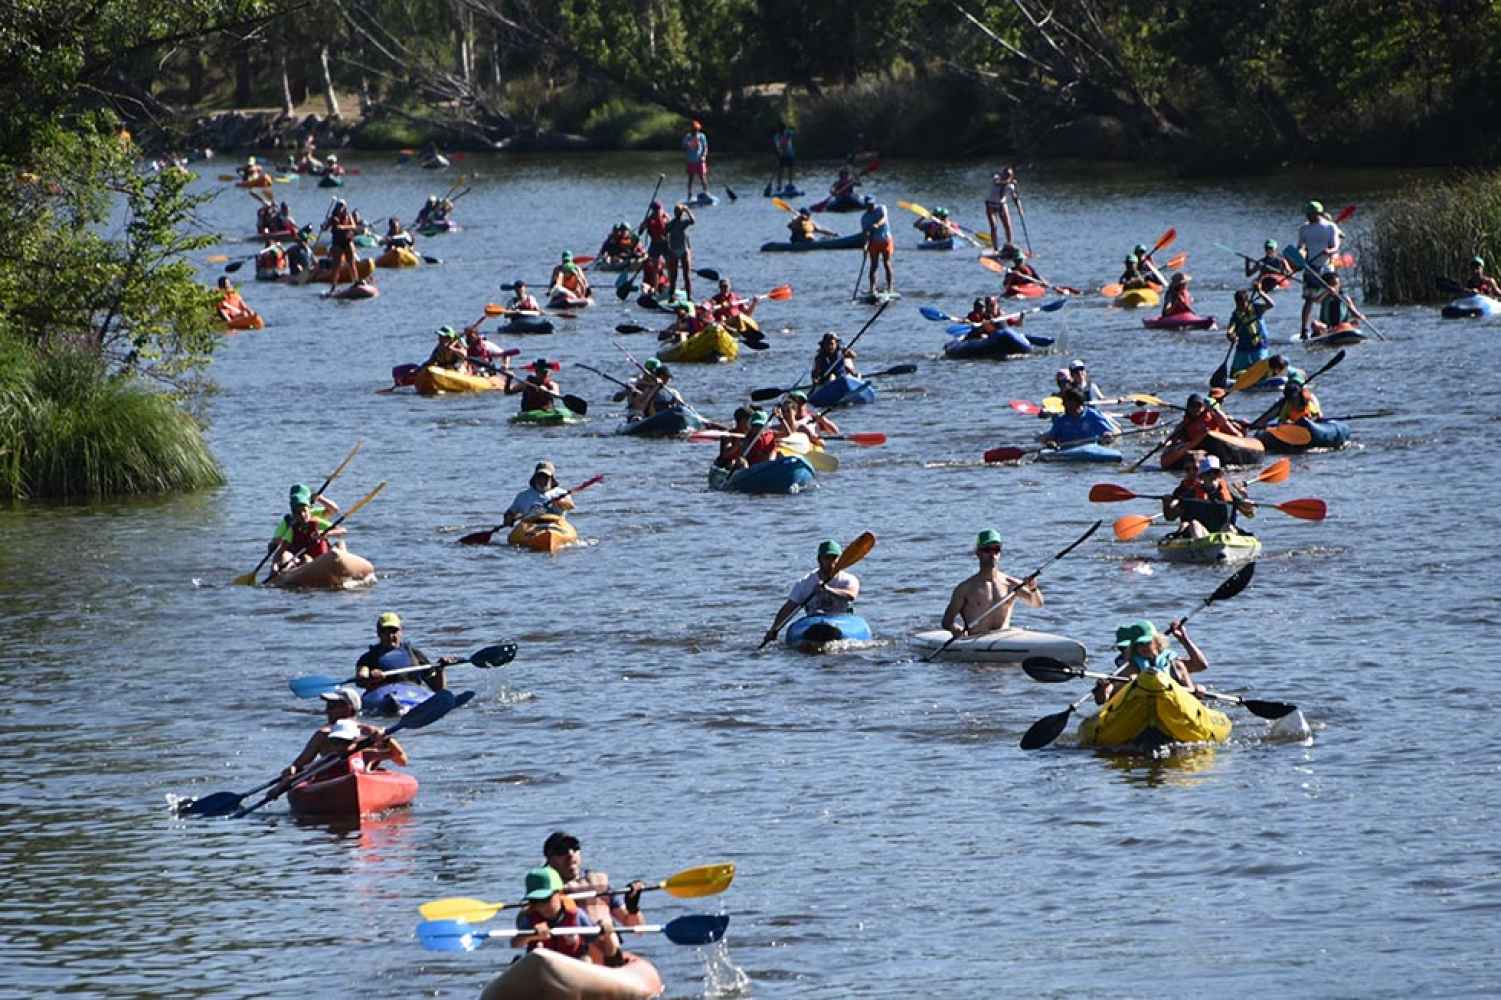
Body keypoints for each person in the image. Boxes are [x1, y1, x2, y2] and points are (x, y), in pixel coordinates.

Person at [279, 687, 407, 785]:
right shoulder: (323, 734)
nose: (327, 710)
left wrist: (387, 739)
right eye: (328, 706)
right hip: (331, 780)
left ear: (349, 708)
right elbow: (300, 764)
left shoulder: (372, 733)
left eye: (333, 706)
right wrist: (291, 771)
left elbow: (402, 761)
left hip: (365, 778)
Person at [513, 866, 627, 967]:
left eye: (545, 899)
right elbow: (515, 943)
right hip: (543, 965)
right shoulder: (528, 917)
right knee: (532, 955)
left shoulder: (577, 914)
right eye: (535, 901)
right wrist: (531, 936)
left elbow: (601, 946)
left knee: (586, 960)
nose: (541, 906)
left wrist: (606, 935)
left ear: (559, 893)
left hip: (572, 964)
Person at [939, 529, 1044, 637]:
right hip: (976, 641)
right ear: (978, 553)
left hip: (1003, 637)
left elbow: (1037, 604)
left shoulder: (1011, 584)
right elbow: (947, 621)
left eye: (996, 549)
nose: (992, 554)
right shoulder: (965, 588)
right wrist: (956, 629)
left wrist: (1033, 589)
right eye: (987, 550)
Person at [542, 830, 648, 931]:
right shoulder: (543, 888)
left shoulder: (597, 882)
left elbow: (635, 927)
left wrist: (632, 907)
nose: (570, 854)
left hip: (608, 944)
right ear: (550, 859)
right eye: (562, 850)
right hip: (570, 946)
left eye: (575, 848)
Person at [762, 539, 860, 645]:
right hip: (814, 621)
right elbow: (789, 607)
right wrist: (773, 629)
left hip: (841, 619)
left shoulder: (849, 579)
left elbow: (851, 595)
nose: (831, 562)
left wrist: (827, 590)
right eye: (827, 558)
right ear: (819, 560)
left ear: (840, 560)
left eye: (834, 558)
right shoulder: (805, 583)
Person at [1094, 619, 1209, 703]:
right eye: (1139, 644)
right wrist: (1104, 689)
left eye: (1146, 642)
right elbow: (1104, 697)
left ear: (1157, 641)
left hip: (1173, 706)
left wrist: (1196, 691)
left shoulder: (1175, 665)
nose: (1142, 647)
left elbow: (1201, 666)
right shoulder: (1131, 668)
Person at [353, 611, 457, 695]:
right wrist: (371, 678)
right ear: (379, 633)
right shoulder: (369, 657)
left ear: (400, 632)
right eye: (386, 632)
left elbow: (438, 689)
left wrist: (440, 669)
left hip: (413, 694)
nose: (390, 636)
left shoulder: (415, 654)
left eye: (394, 631)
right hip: (383, 696)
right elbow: (361, 678)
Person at [1162, 455, 1254, 539]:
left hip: (1224, 534)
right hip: (1202, 534)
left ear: (1220, 475)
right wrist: (1168, 503)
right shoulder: (1191, 494)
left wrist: (1246, 499)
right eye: (1208, 473)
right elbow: (1170, 516)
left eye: (1216, 472)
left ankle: (1224, 550)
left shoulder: (1230, 491)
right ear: (1202, 476)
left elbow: (1250, 515)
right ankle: (1201, 550)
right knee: (1194, 525)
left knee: (1229, 527)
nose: (1212, 476)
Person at [268, 483, 345, 573]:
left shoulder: (315, 519)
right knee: (301, 558)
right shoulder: (290, 524)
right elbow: (280, 545)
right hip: (301, 556)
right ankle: (288, 570)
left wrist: (325, 533)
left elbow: (337, 518)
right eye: (297, 512)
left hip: (320, 556)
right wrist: (274, 560)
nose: (302, 515)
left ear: (308, 508)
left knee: (340, 544)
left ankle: (343, 568)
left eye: (304, 511)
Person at [1296, 200, 1343, 337]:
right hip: (1311, 268)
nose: (1307, 217)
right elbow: (1300, 247)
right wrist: (1300, 255)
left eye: (1310, 214)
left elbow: (1335, 246)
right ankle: (1304, 330)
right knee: (1309, 300)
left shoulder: (1330, 227)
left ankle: (1332, 325)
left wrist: (1330, 251)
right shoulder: (1303, 229)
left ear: (1318, 214)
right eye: (1307, 214)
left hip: (1327, 267)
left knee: (1333, 295)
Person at [1167, 393, 1245, 455]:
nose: (1196, 409)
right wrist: (1167, 443)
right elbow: (1173, 438)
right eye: (1193, 406)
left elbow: (1224, 422)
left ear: (1203, 407)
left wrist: (1214, 409)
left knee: (1236, 434)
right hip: (1197, 446)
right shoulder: (1184, 423)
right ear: (1188, 408)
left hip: (1217, 442)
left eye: (1199, 406)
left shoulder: (1213, 416)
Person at [504, 460, 575, 526]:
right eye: (540, 476)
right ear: (535, 477)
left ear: (552, 478)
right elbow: (510, 513)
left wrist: (561, 502)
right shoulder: (523, 496)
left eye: (546, 477)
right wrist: (509, 518)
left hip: (556, 526)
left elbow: (571, 506)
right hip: (531, 528)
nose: (542, 480)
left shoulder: (561, 493)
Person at [1042, 388, 1120, 448]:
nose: (1063, 404)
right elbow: (1050, 439)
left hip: (1092, 448)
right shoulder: (1061, 420)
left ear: (1076, 402)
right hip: (1067, 450)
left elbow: (1110, 433)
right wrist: (1050, 442)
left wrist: (1108, 435)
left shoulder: (1093, 415)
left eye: (1066, 401)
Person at [322, 199, 360, 298]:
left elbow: (353, 226)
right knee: (336, 266)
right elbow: (325, 228)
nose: (341, 208)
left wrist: (343, 227)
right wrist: (324, 225)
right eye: (339, 206)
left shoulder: (348, 216)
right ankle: (333, 286)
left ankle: (355, 282)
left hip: (347, 241)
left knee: (352, 263)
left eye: (343, 206)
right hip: (337, 243)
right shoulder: (333, 218)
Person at [860, 195, 894, 295]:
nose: (871, 206)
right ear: (866, 205)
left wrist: (877, 224)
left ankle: (890, 287)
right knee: (873, 265)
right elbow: (865, 233)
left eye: (872, 204)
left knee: (886, 263)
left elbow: (884, 218)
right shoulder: (864, 218)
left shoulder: (881, 208)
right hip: (873, 242)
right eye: (869, 204)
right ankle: (872, 289)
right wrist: (865, 245)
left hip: (885, 240)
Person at [1306, 268, 1354, 337]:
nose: (1335, 287)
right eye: (1332, 284)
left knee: (1355, 322)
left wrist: (1359, 316)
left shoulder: (1345, 297)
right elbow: (1316, 301)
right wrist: (1327, 291)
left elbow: (1354, 312)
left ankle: (1341, 331)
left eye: (1336, 284)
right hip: (1327, 326)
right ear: (1327, 286)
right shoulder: (1324, 296)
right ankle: (1324, 332)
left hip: (1342, 325)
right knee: (1314, 324)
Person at [664, 204, 695, 297]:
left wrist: (686, 210)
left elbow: (693, 221)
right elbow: (693, 220)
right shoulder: (674, 223)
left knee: (684, 276)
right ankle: (672, 296)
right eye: (678, 212)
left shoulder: (679, 223)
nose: (679, 213)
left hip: (681, 250)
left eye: (679, 211)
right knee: (675, 277)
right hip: (676, 251)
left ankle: (688, 297)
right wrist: (687, 210)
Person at [985, 167, 1017, 249]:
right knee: (994, 226)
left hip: (1001, 205)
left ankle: (1010, 245)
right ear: (1002, 173)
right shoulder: (996, 178)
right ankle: (995, 248)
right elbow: (998, 183)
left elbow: (1015, 197)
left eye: (1008, 175)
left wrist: (1020, 208)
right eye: (1005, 174)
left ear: (1011, 176)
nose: (1006, 176)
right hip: (991, 204)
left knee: (1008, 226)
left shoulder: (1011, 186)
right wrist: (1009, 181)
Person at [683, 119, 709, 198]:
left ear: (698, 129)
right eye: (693, 130)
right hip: (691, 161)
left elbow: (705, 148)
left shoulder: (702, 136)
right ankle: (689, 193)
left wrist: (704, 156)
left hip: (700, 161)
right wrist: (689, 144)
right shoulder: (688, 137)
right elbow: (684, 146)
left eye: (696, 130)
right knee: (691, 178)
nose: (695, 132)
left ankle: (706, 192)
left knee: (703, 177)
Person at [771, 122, 796, 192]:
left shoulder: (787, 133)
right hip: (782, 155)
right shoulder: (776, 136)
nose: (781, 131)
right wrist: (780, 151)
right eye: (780, 129)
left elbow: (792, 131)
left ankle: (790, 184)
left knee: (790, 169)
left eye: (782, 129)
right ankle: (779, 185)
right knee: (780, 170)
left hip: (789, 154)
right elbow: (778, 145)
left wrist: (790, 130)